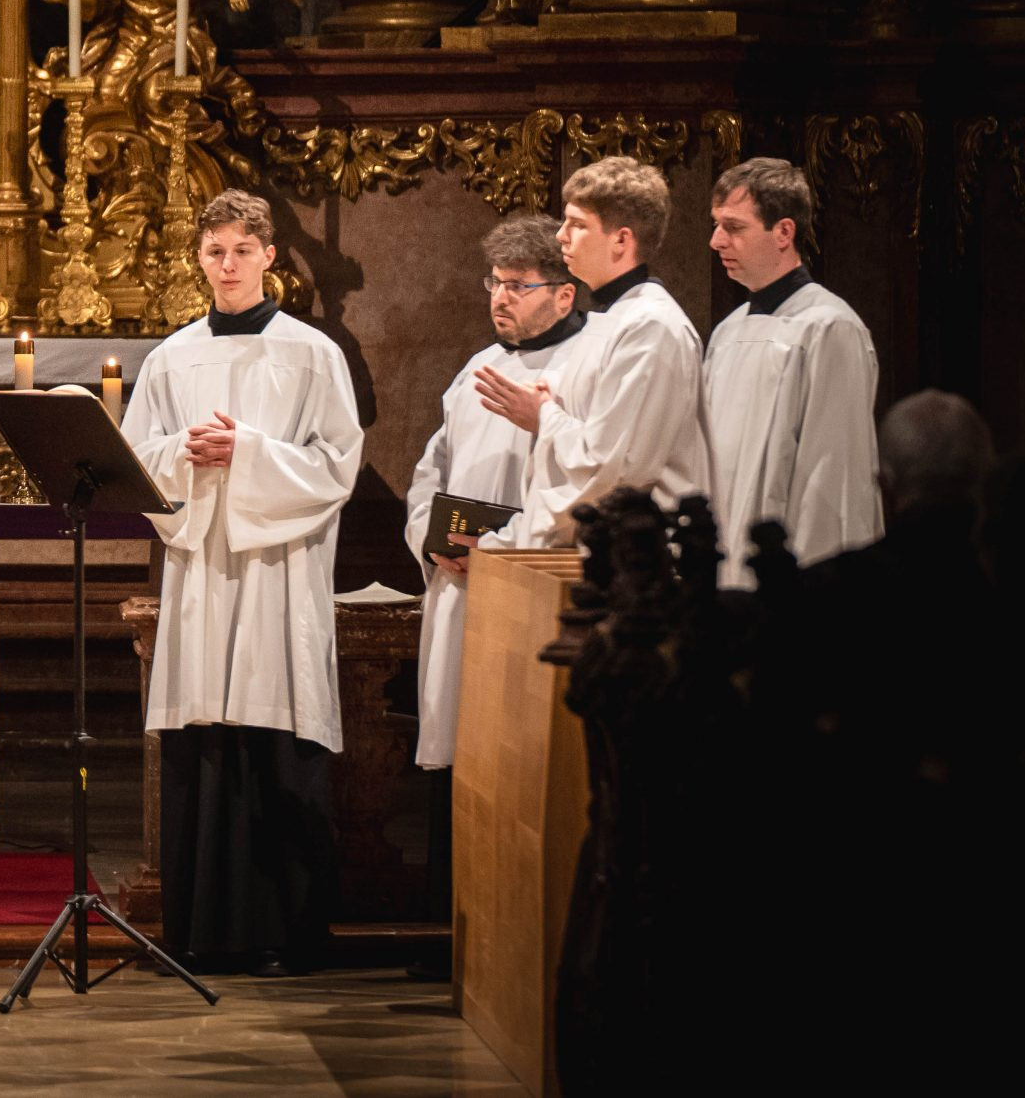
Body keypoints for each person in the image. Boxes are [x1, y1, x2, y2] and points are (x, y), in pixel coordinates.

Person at [121, 190, 363, 977]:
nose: (227, 264)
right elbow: (136, 460)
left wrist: (249, 452)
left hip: (276, 571)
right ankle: (199, 931)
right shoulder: (172, 357)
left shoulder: (311, 352)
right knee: (205, 740)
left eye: (241, 250)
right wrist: (181, 456)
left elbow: (336, 464)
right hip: (202, 569)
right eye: (214, 251)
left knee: (271, 729)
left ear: (269, 257)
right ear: (199, 258)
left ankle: (282, 933)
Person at [404, 215, 586, 770]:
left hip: (532, 583)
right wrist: (430, 539)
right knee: (459, 752)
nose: (500, 298)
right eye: (495, 282)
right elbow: (432, 469)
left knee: (516, 755)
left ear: (564, 294)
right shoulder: (478, 368)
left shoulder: (586, 366)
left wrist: (501, 550)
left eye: (518, 285)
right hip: (459, 579)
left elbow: (587, 479)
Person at [481, 155, 706, 545]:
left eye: (578, 224)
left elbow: (614, 466)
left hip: (636, 558)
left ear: (621, 240)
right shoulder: (614, 320)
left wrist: (544, 415)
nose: (561, 236)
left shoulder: (651, 326)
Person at [702, 157, 882, 584]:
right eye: (716, 225)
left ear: (784, 232)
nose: (716, 240)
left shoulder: (829, 327)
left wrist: (807, 590)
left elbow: (833, 477)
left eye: (733, 227)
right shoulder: (728, 332)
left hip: (792, 580)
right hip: (728, 567)